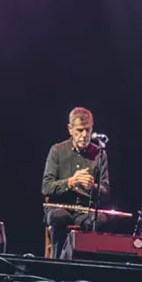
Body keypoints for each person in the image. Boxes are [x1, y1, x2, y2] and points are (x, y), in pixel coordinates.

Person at [40, 106, 111, 258]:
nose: (84, 135)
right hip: (59, 207)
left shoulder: (100, 154)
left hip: (84, 210)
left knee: (101, 220)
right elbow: (46, 187)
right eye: (79, 130)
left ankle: (87, 265)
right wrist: (71, 182)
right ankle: (57, 264)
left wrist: (93, 186)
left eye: (88, 130)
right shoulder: (57, 150)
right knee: (60, 217)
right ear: (70, 129)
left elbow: (105, 191)